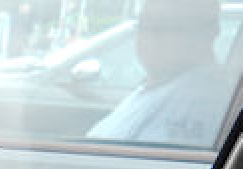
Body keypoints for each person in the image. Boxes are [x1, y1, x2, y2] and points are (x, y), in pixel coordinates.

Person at [88, 0, 233, 147]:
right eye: (143, 24)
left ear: (206, 32)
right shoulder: (161, 85)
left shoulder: (200, 102)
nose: (149, 35)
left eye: (165, 26)